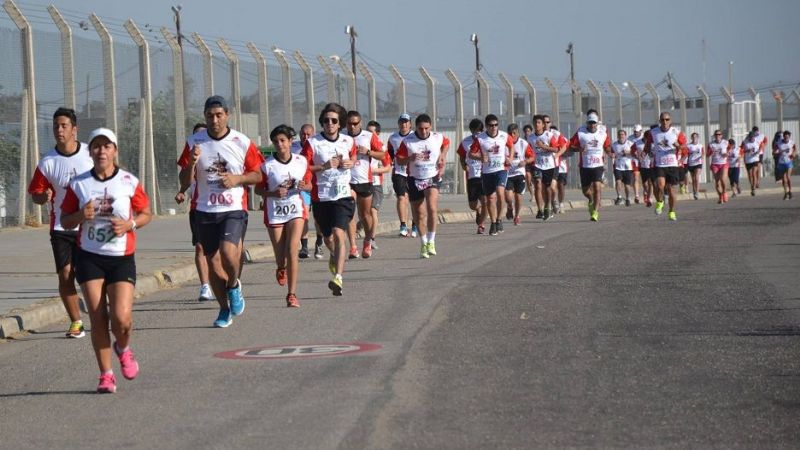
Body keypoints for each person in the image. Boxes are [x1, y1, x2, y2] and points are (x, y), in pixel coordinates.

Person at [60, 127, 152, 393]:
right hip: (89, 257)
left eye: (107, 146)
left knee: (121, 319)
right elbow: (64, 220)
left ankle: (122, 347)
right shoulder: (79, 184)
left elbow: (147, 213)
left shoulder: (128, 182)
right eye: (97, 146)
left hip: (121, 257)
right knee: (98, 317)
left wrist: (130, 224)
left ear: (115, 151)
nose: (102, 151)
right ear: (90, 152)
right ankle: (106, 374)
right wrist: (80, 215)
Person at [177, 95, 264, 328]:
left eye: (218, 115)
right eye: (209, 116)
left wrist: (238, 178)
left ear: (227, 115)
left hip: (233, 207)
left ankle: (234, 285)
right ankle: (224, 309)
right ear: (204, 117)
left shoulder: (241, 141)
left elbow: (258, 175)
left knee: (228, 253)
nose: (214, 120)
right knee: (213, 265)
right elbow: (184, 182)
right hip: (204, 210)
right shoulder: (195, 142)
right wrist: (192, 163)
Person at [27, 108, 94, 338]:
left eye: (64, 125)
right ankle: (76, 322)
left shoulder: (90, 153)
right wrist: (41, 196)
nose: (59, 130)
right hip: (61, 227)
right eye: (56, 125)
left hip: (91, 225)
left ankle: (99, 313)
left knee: (91, 275)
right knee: (66, 275)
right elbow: (35, 193)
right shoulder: (48, 162)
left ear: (74, 129)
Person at [303, 103, 357, 295]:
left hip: (342, 195)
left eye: (334, 120)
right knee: (327, 237)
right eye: (326, 120)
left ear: (340, 123)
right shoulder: (313, 143)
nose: (330, 124)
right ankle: (334, 254)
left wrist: (350, 163)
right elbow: (304, 167)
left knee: (339, 233)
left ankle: (338, 278)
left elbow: (354, 159)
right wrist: (324, 167)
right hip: (321, 197)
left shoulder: (348, 142)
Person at [256, 125, 311, 307]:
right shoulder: (267, 166)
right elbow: (257, 189)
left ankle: (292, 294)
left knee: (292, 250)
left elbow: (310, 185)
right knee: (281, 255)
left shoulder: (301, 161)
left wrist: (305, 187)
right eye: (276, 141)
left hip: (295, 209)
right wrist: (273, 194)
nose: (280, 145)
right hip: (275, 212)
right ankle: (281, 268)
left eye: (283, 141)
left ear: (290, 142)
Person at [395, 113, 450, 257]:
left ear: (430, 126)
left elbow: (446, 143)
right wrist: (409, 158)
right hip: (414, 179)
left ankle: (432, 241)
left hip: (432, 176)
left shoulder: (437, 137)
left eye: (426, 128)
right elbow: (399, 161)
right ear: (416, 128)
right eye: (420, 129)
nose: (424, 131)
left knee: (432, 207)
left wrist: (442, 156)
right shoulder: (408, 141)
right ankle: (424, 242)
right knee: (418, 215)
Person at [175, 123, 217, 302]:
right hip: (198, 208)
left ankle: (227, 282)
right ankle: (205, 286)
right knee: (200, 247)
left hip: (221, 207)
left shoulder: (217, 154)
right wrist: (182, 191)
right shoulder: (191, 154)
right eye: (197, 137)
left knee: (220, 251)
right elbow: (184, 179)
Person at [345, 111, 384, 259]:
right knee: (349, 214)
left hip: (364, 180)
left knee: (365, 215)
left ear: (360, 123)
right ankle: (353, 247)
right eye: (349, 123)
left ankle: (367, 240)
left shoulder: (368, 136)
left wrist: (368, 152)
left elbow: (382, 155)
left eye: (355, 123)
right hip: (347, 181)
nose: (352, 126)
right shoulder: (342, 137)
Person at [470, 114, 513, 235]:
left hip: (501, 169)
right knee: (490, 199)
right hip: (487, 172)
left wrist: (509, 156)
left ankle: (499, 219)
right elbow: (471, 154)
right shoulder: (480, 138)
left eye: (496, 125)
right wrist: (480, 156)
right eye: (491, 125)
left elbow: (511, 145)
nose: (494, 127)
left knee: (500, 193)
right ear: (486, 127)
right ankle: (493, 223)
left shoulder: (504, 136)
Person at [569, 112, 611, 221]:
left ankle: (595, 212)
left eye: (594, 123)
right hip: (585, 165)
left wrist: (610, 153)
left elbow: (607, 146)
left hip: (598, 165)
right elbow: (571, 145)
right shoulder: (581, 132)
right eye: (590, 123)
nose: (592, 125)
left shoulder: (603, 132)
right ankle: (591, 199)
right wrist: (579, 149)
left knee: (597, 187)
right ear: (587, 123)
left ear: (597, 124)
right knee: (585, 191)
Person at [645, 112, 687, 220]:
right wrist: (647, 152)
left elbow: (684, 146)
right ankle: (660, 201)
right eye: (663, 120)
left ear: (670, 121)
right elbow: (648, 145)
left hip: (673, 164)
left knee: (672, 190)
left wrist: (679, 146)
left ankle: (671, 211)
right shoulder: (653, 132)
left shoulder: (676, 132)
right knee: (660, 185)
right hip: (660, 164)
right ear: (659, 121)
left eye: (667, 119)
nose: (665, 122)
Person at [386, 113, 416, 238]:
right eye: (401, 122)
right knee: (401, 198)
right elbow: (390, 155)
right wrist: (391, 166)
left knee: (414, 200)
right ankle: (403, 225)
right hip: (399, 172)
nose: (404, 124)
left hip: (414, 172)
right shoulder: (393, 138)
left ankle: (415, 225)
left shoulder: (415, 136)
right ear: (398, 124)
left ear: (410, 124)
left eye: (406, 122)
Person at [457, 119, 487, 233]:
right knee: (472, 205)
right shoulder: (465, 142)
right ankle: (478, 209)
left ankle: (481, 225)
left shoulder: (486, 140)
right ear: (471, 130)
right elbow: (461, 156)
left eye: (479, 131)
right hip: (471, 176)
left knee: (485, 201)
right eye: (475, 131)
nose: (477, 133)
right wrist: (464, 165)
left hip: (484, 174)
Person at [528, 115, 560, 220]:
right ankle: (540, 210)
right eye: (535, 123)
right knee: (537, 184)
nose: (537, 125)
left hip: (549, 165)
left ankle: (547, 206)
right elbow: (528, 152)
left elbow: (556, 149)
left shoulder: (549, 135)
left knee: (547, 188)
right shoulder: (530, 138)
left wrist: (543, 147)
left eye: (538, 123)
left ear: (542, 124)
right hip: (537, 165)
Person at [291, 124, 316, 259]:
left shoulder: (316, 144)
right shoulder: (293, 147)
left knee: (318, 218)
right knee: (305, 215)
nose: (305, 137)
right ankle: (304, 247)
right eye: (303, 134)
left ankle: (319, 240)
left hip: (317, 184)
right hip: (302, 186)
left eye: (309, 134)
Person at [367, 120, 391, 251]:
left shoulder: (381, 148)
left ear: (377, 134)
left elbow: (387, 168)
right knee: (364, 213)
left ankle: (372, 239)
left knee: (372, 211)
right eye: (367, 131)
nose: (368, 134)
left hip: (375, 183)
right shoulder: (360, 145)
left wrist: (373, 171)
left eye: (371, 132)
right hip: (362, 183)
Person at [505, 123, 534, 225]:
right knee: (508, 197)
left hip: (520, 173)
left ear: (517, 133)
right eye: (510, 133)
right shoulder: (504, 143)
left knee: (518, 196)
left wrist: (525, 162)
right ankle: (509, 206)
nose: (512, 135)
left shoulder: (523, 143)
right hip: (508, 173)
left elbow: (532, 156)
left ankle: (517, 216)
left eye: (514, 133)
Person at [630, 124, 653, 206]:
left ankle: (649, 198)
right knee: (645, 184)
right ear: (645, 137)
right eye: (648, 139)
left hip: (651, 165)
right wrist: (636, 156)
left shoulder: (652, 143)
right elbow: (632, 151)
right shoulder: (637, 143)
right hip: (642, 166)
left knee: (651, 183)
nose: (649, 141)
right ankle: (646, 192)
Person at [611, 129, 635, 206]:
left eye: (622, 135)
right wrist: (612, 155)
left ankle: (627, 198)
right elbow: (611, 153)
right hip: (618, 166)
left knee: (627, 185)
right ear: (617, 136)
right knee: (618, 181)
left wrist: (628, 152)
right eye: (620, 135)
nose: (621, 136)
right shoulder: (614, 145)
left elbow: (636, 153)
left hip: (628, 167)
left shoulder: (630, 144)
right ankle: (619, 197)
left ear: (625, 135)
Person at [707, 129, 730, 204]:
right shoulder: (711, 144)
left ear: (721, 136)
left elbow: (730, 149)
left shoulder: (725, 142)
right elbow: (707, 155)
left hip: (723, 163)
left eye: (719, 134)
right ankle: (720, 196)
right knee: (717, 183)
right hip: (715, 164)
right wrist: (710, 152)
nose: (718, 136)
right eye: (716, 134)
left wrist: (727, 154)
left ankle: (724, 192)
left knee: (723, 180)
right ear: (714, 136)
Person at [551, 125, 570, 214]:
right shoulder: (547, 139)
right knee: (552, 187)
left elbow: (569, 152)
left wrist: (560, 153)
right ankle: (554, 202)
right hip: (552, 166)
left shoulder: (562, 139)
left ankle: (561, 203)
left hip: (562, 167)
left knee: (561, 186)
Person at [774, 130, 796, 199]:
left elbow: (795, 149)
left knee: (788, 178)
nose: (786, 138)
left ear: (789, 137)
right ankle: (785, 192)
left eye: (788, 137)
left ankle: (790, 191)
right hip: (781, 163)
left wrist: (793, 154)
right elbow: (775, 150)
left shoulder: (792, 142)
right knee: (784, 179)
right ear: (783, 137)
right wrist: (777, 152)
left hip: (788, 162)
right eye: (785, 137)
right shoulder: (779, 143)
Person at [742, 132, 761, 196]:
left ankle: (753, 188)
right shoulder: (745, 142)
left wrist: (758, 151)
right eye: (750, 137)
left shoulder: (757, 141)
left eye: (753, 137)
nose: (752, 138)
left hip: (755, 159)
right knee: (750, 175)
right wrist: (747, 151)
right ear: (749, 137)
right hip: (748, 160)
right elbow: (741, 150)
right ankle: (752, 186)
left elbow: (761, 147)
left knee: (754, 173)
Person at [686, 132, 704, 200]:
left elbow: (703, 153)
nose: (694, 138)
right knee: (693, 179)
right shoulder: (689, 146)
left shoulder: (700, 145)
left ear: (697, 138)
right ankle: (694, 191)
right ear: (691, 138)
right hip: (691, 163)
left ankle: (697, 192)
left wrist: (701, 158)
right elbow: (686, 154)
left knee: (696, 177)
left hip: (698, 163)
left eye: (695, 137)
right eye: (693, 137)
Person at [522, 123, 535, 202]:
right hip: (527, 162)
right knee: (528, 177)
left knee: (536, 180)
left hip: (534, 162)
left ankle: (538, 194)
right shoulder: (522, 141)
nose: (527, 133)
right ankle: (532, 195)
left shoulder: (534, 139)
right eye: (526, 131)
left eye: (529, 131)